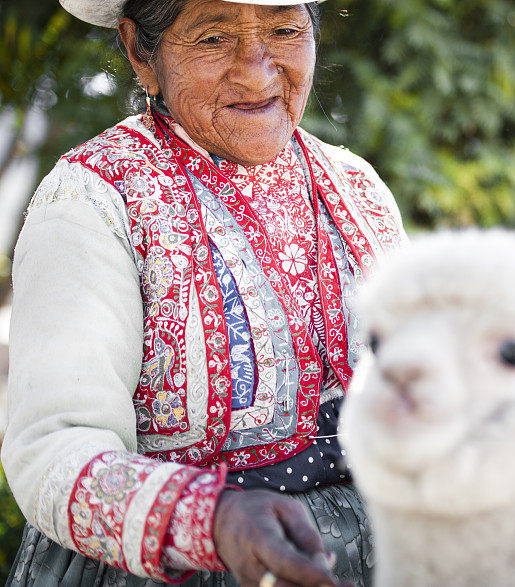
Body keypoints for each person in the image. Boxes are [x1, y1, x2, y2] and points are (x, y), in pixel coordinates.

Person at [0, 0, 405, 585]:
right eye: (214, 38)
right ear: (143, 51)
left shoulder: (357, 188)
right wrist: (211, 519)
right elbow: (54, 449)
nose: (258, 71)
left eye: (286, 30)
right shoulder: (92, 202)